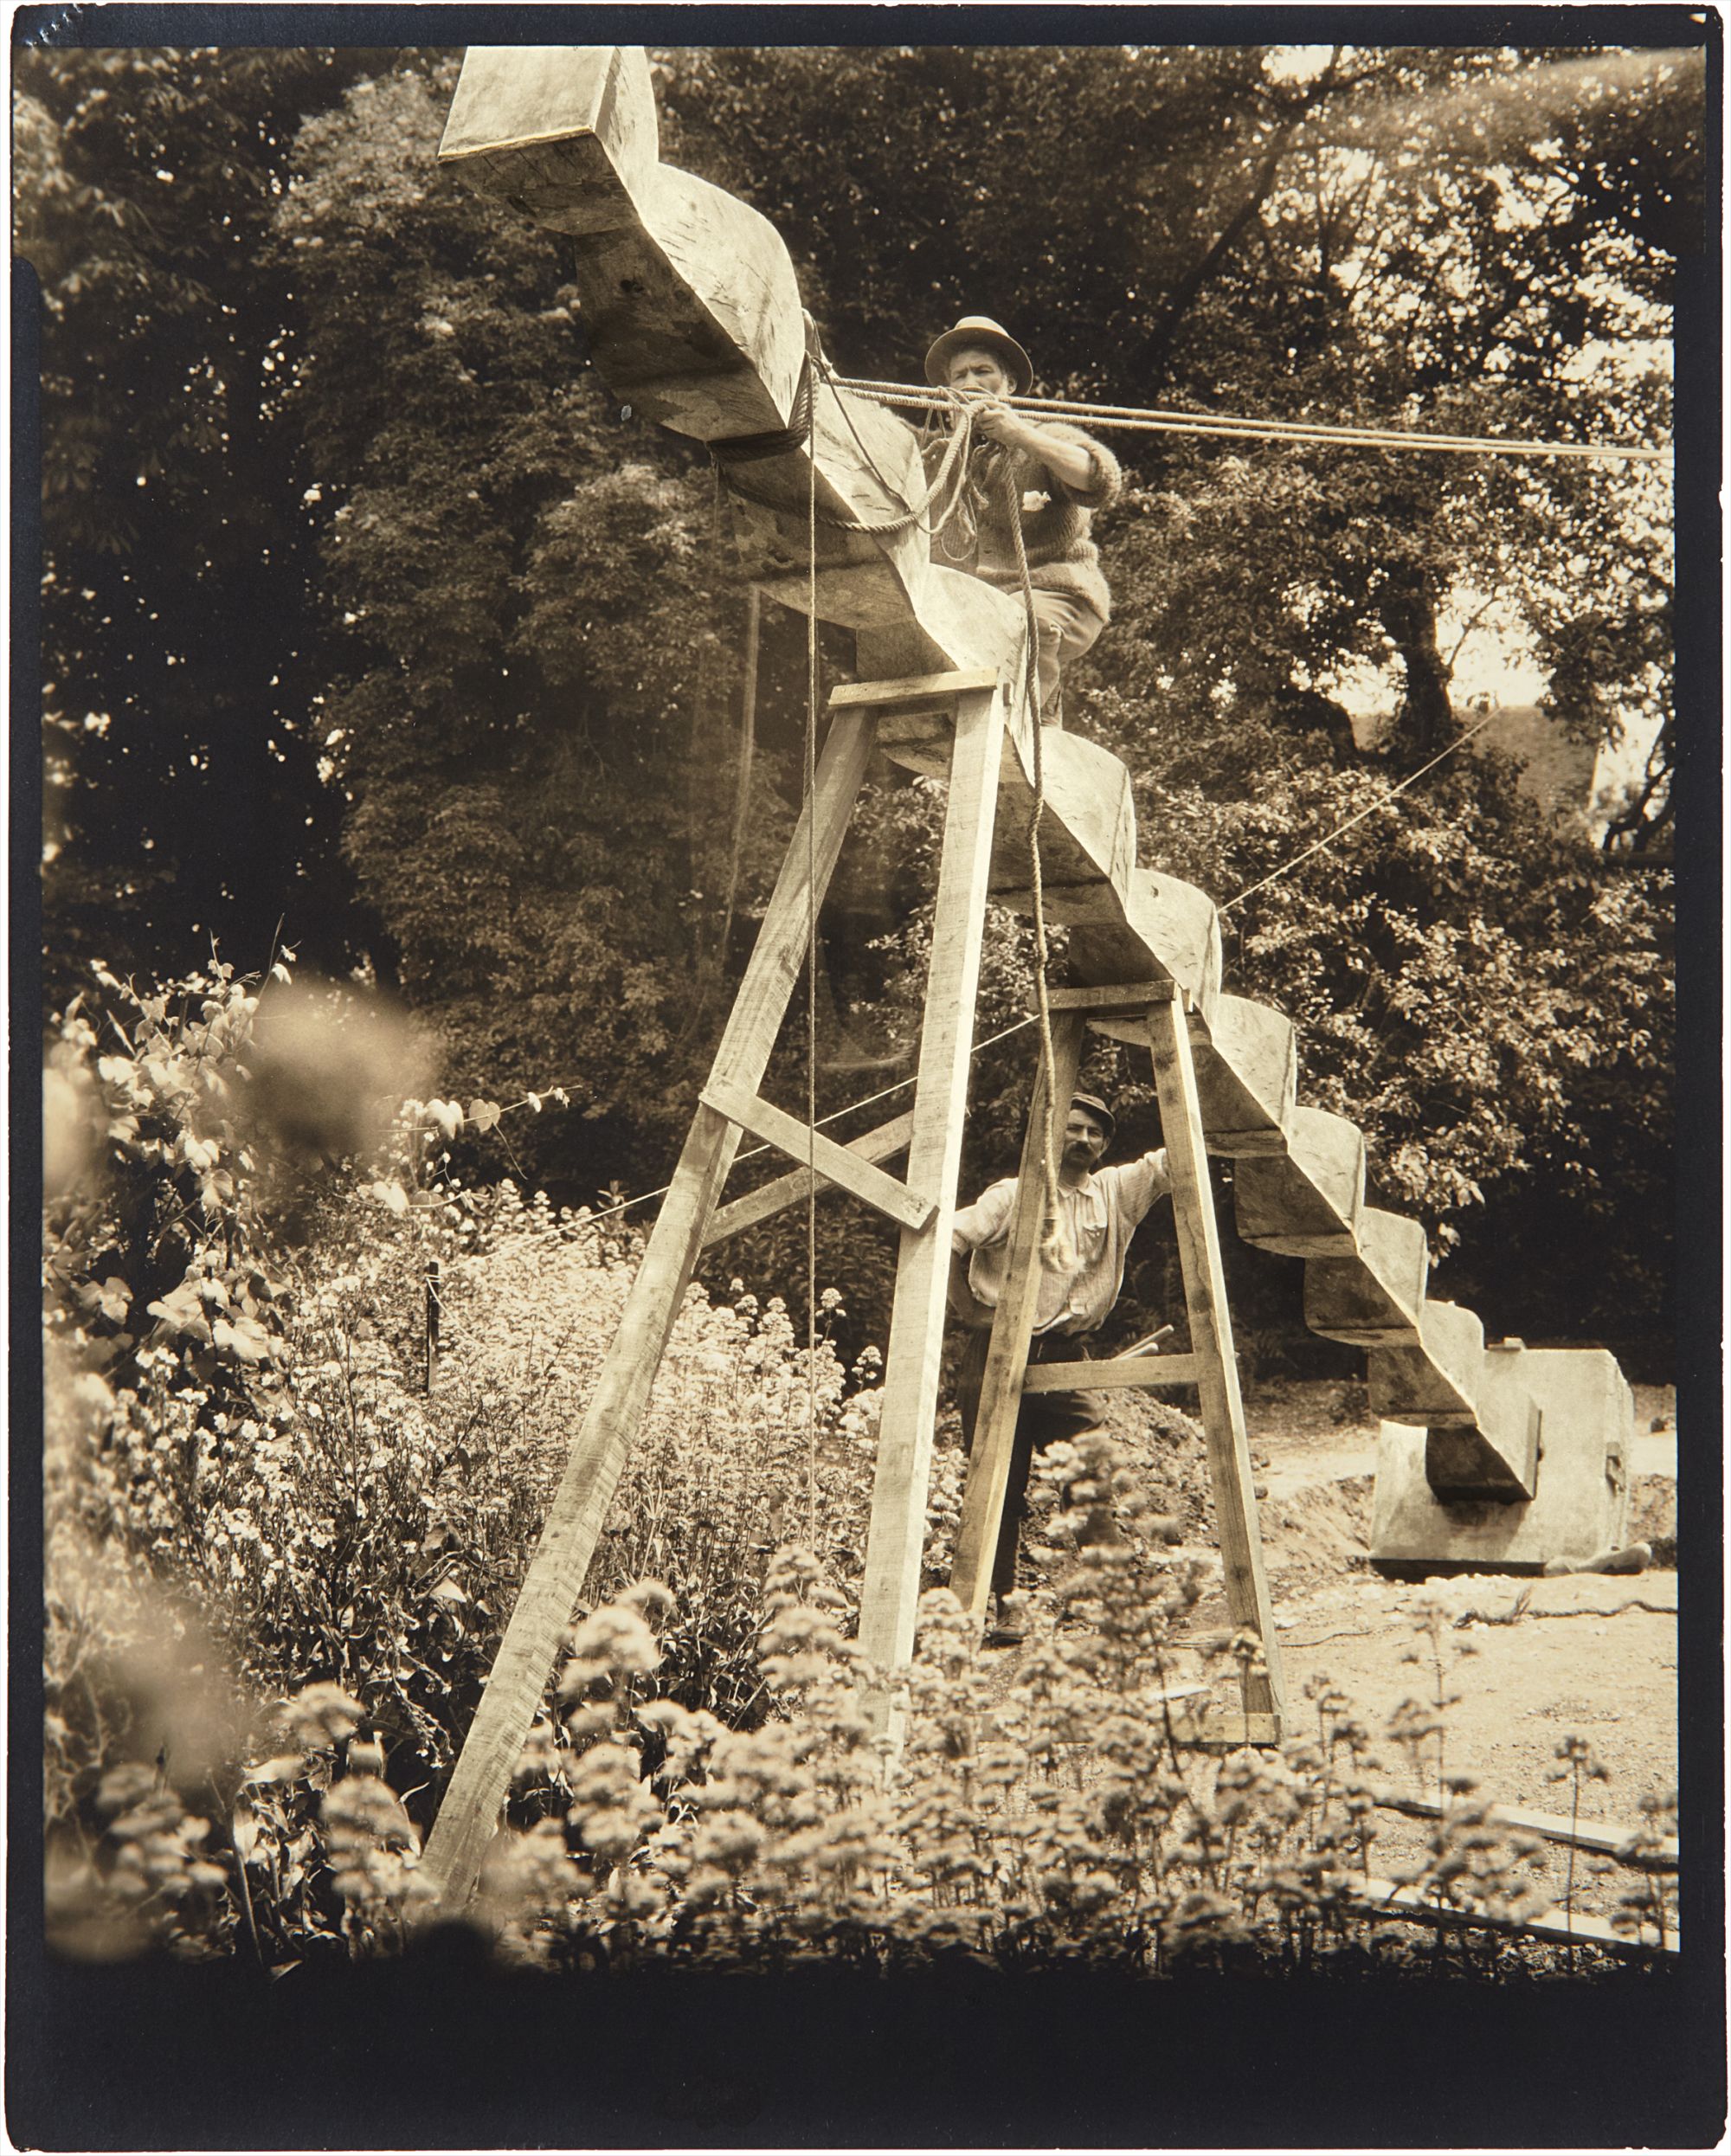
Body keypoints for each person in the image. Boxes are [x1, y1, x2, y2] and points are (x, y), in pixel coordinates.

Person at [949, 1091, 1171, 1642]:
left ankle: (1115, 1604)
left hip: (1066, 1357)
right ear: (1049, 1136)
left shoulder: (1113, 1193)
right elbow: (943, 1239)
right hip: (998, 1355)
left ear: (1105, 1146)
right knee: (997, 1484)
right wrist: (969, 1310)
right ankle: (1004, 1611)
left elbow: (1172, 1161)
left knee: (1089, 1478)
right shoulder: (1012, 1196)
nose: (1083, 1140)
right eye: (1072, 1129)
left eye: (1094, 1134)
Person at [922, 314, 1123, 724]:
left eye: (983, 371)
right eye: (959, 375)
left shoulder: (1047, 436)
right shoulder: (937, 459)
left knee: (1015, 617)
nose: (970, 383)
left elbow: (1101, 479)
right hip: (980, 612)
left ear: (1009, 383)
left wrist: (1019, 435)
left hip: (1058, 596)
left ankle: (1034, 721)